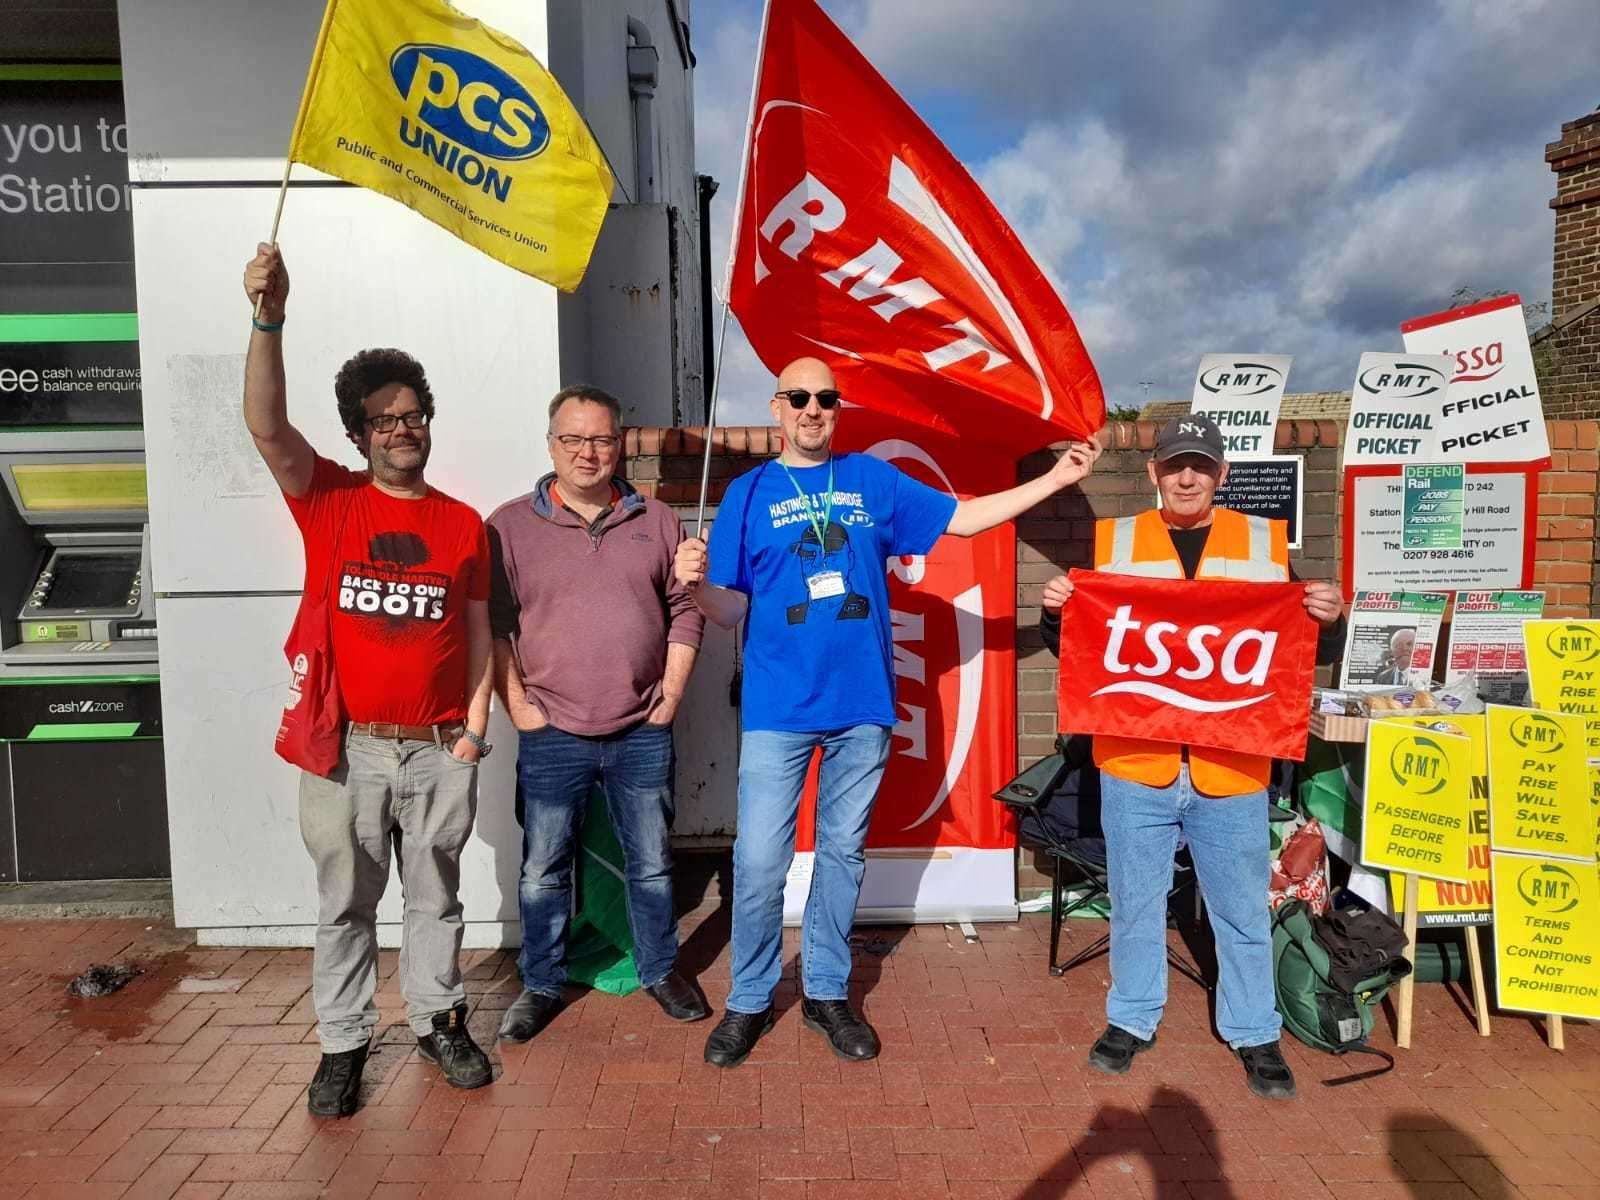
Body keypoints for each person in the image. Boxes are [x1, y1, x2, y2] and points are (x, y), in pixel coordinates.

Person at [675, 356, 1100, 1068]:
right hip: (778, 709)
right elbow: (729, 610)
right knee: (756, 863)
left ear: (838, 411)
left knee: (841, 855)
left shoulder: (872, 479)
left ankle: (826, 994)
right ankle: (749, 1001)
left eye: (828, 399)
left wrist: (1054, 480)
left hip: (863, 705)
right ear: (776, 410)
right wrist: (691, 591)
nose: (814, 409)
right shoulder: (747, 496)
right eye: (800, 398)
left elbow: (963, 520)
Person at [242, 244, 494, 1117]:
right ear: (359, 434)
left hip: (435, 751)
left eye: (412, 414)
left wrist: (471, 731)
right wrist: (269, 318)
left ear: (429, 423)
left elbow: (477, 633)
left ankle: (437, 1020)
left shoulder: (464, 526)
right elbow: (267, 428)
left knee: (436, 898)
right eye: (383, 418)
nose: (401, 428)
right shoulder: (331, 502)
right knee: (344, 904)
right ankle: (345, 1044)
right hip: (346, 751)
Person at [1038, 413, 1345, 1101]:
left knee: (1239, 907)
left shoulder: (1263, 545)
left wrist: (1330, 616)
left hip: (1230, 768)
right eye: (1176, 464)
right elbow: (1079, 649)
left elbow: (1301, 650)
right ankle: (1132, 1018)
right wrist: (1058, 609)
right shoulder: (1116, 542)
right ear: (1152, 473)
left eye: (1201, 466)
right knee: (1136, 903)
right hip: (1135, 764)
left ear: (1221, 475)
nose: (1186, 477)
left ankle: (1253, 1031)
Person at [488, 385, 709, 1041]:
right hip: (551, 730)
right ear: (550, 443)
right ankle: (541, 982)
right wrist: (520, 707)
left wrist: (669, 698)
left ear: (621, 444)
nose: (588, 452)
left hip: (641, 729)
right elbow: (495, 627)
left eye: (603, 439)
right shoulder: (507, 526)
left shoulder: (660, 521)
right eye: (573, 439)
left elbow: (687, 612)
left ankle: (659, 969)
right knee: (543, 869)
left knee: (651, 861)